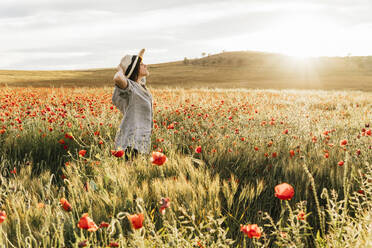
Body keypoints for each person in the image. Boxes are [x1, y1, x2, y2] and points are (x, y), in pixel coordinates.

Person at [111, 49, 152, 160]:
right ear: (135, 70)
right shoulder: (129, 88)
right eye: (142, 65)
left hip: (142, 142)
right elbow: (118, 78)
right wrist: (120, 69)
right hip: (131, 143)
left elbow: (139, 77)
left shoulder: (140, 87)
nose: (145, 65)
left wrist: (139, 56)